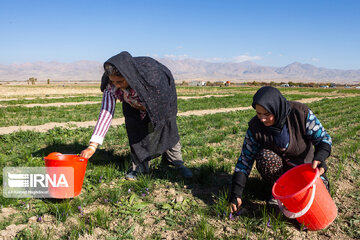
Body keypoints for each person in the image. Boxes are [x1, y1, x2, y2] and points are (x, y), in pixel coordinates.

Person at [80, 51, 192, 180]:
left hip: (162, 99)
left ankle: (176, 164)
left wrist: (147, 107)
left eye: (120, 81)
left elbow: (161, 100)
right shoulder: (111, 86)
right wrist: (92, 146)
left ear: (129, 76)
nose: (117, 85)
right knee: (136, 131)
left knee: (167, 127)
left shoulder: (151, 78)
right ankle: (139, 167)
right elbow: (106, 112)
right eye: (113, 81)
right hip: (133, 103)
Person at [229, 86, 332, 213]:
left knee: (317, 201)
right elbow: (245, 160)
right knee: (265, 156)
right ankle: (279, 190)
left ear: (276, 108)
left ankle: (296, 191)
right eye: (258, 113)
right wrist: (236, 194)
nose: (262, 119)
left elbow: (324, 139)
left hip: (304, 169)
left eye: (267, 114)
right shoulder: (255, 128)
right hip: (281, 174)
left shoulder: (300, 114)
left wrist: (320, 157)